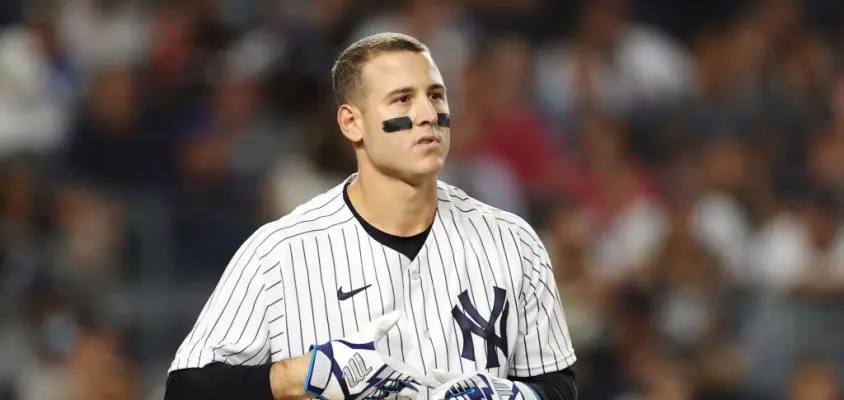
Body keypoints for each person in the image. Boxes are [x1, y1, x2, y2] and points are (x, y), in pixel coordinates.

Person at [164, 32, 578, 400]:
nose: (428, 114)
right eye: (403, 99)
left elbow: (558, 384)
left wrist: (515, 397)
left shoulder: (513, 241)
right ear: (351, 123)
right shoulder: (281, 252)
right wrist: (298, 375)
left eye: (435, 95)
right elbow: (185, 388)